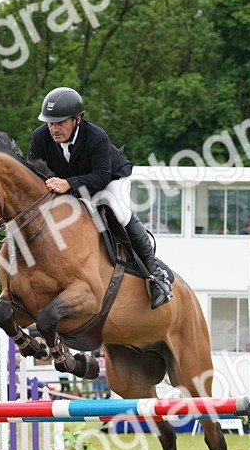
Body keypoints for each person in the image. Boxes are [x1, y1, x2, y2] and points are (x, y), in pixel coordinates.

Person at [27, 87, 173, 309]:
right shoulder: (40, 137)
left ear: (77, 119)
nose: (54, 129)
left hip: (109, 180)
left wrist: (69, 184)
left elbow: (102, 176)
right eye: (50, 123)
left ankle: (155, 275)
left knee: (118, 211)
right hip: (68, 185)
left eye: (60, 123)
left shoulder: (96, 137)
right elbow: (35, 173)